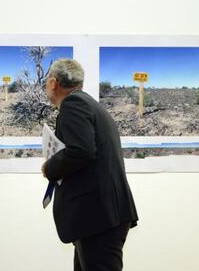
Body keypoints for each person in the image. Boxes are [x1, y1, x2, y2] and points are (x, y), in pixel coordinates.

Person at [41, 59, 138, 271]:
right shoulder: (88, 104)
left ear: (53, 83)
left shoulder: (73, 105)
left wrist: (49, 168)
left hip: (98, 217)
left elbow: (81, 151)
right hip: (100, 217)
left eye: (47, 82)